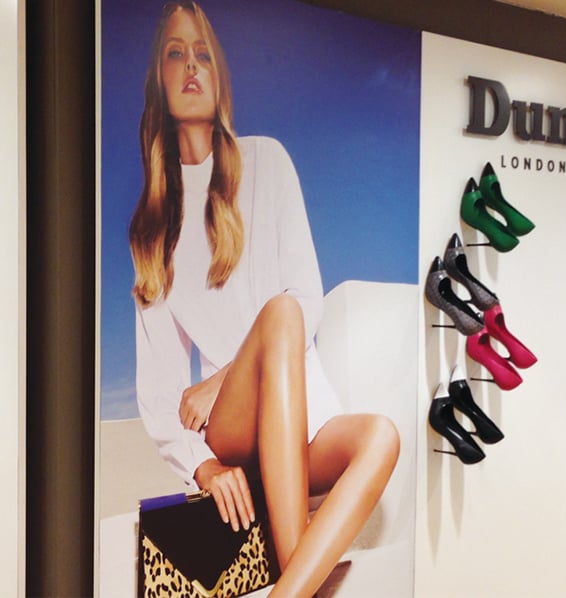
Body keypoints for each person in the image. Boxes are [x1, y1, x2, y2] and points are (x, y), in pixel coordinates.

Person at [130, 2, 400, 596]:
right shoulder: (153, 227)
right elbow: (159, 388)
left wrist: (218, 377)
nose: (191, 65)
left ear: (219, 77)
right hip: (235, 429)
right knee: (278, 314)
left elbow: (307, 297)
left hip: (303, 421)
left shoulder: (266, 162)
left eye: (203, 53)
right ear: (159, 80)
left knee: (381, 435)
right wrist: (203, 465)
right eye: (176, 53)